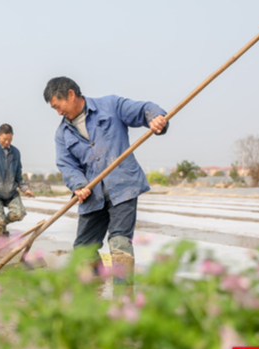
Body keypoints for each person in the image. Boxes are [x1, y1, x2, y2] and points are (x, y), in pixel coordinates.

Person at [43, 77, 168, 295]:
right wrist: (79, 184)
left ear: (71, 95)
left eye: (57, 106)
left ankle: (123, 300)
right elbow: (66, 165)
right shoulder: (62, 134)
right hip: (91, 194)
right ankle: (93, 295)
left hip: (122, 186)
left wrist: (156, 118)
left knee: (119, 244)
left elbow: (144, 110)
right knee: (83, 251)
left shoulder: (110, 106)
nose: (58, 112)